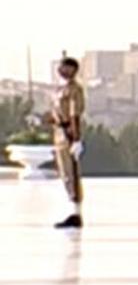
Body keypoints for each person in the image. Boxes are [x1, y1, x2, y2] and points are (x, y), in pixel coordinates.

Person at [50, 56, 85, 228]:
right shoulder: (59, 89)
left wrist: (76, 139)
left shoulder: (74, 90)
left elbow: (74, 115)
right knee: (65, 173)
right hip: (58, 132)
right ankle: (71, 209)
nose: (61, 70)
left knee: (72, 174)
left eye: (65, 67)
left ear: (73, 70)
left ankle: (75, 213)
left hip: (68, 133)